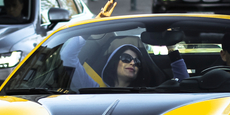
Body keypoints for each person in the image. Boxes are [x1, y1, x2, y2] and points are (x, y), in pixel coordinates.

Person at [60, 37, 188, 90]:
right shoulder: (94, 89)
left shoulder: (150, 94)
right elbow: (67, 56)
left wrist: (172, 49)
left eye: (137, 62)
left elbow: (185, 86)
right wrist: (90, 27)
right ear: (114, 63)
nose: (133, 63)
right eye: (126, 58)